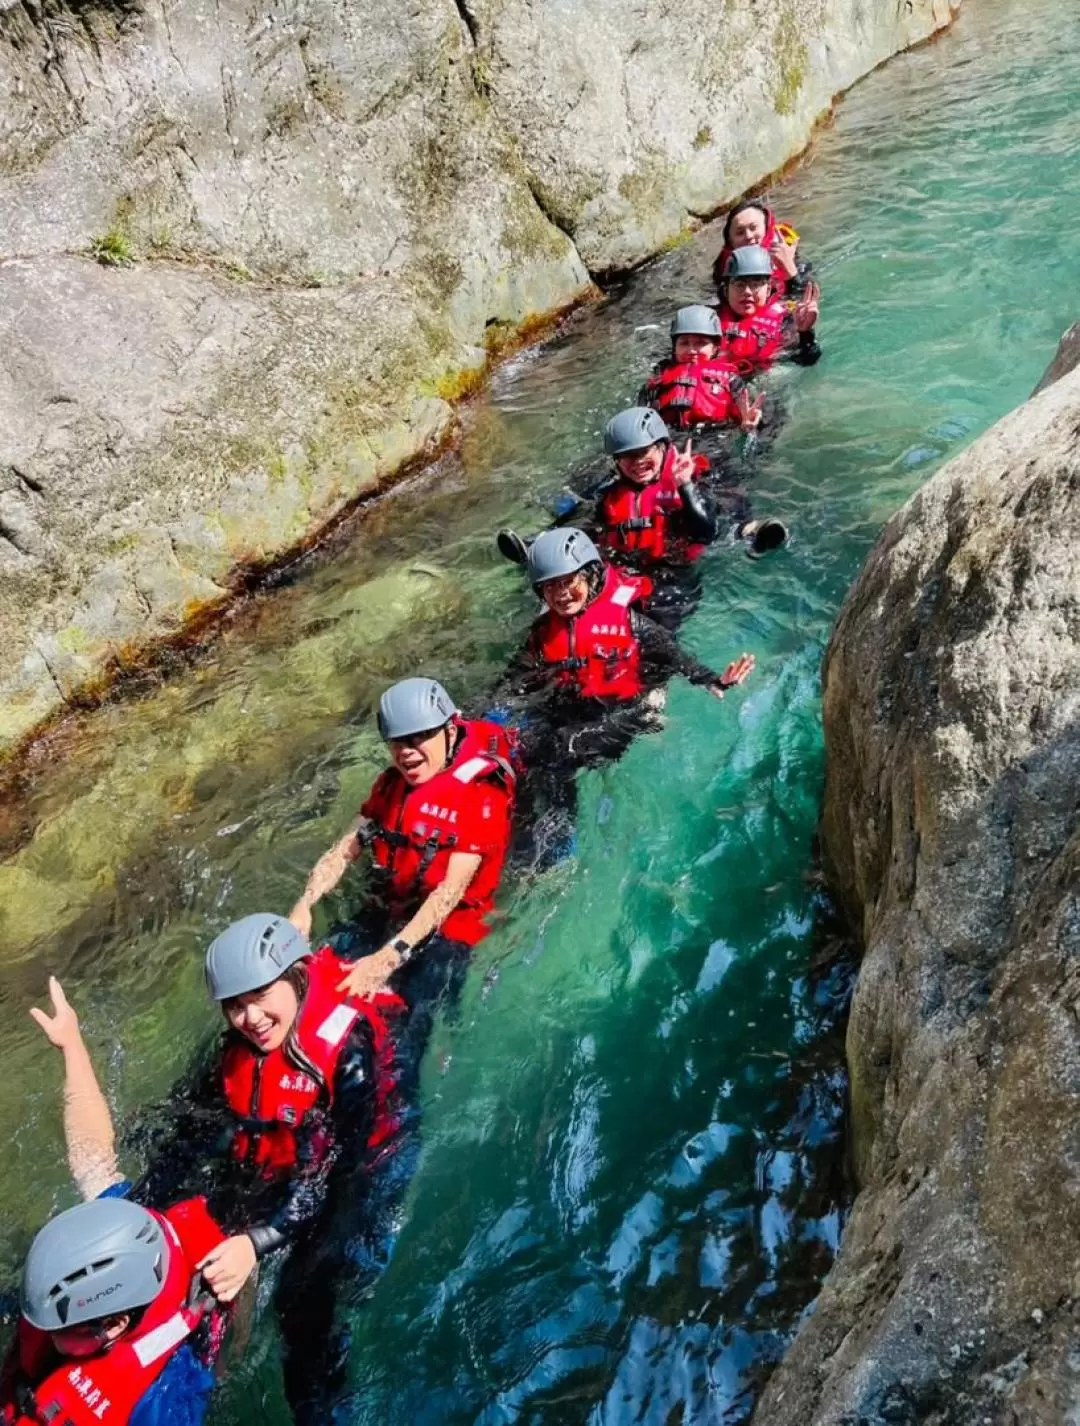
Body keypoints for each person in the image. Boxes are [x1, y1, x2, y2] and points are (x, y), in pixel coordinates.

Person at [27, 916, 403, 1424]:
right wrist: (136, 1208)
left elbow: (333, 1175)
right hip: (260, 1159)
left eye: (259, 996)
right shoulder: (233, 1051)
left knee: (301, 1306)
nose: (249, 1017)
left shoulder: (344, 1057)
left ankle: (326, 1411)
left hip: (328, 1179)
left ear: (296, 977)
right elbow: (179, 1135)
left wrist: (256, 1242)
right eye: (234, 1005)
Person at [5, 982, 235, 1426]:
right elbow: (91, 1154)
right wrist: (71, 1045)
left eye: (60, 1332)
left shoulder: (163, 1398)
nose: (45, 1334)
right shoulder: (114, 1232)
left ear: (111, 1328)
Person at [289, 678, 517, 1005]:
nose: (406, 752)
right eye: (396, 742)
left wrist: (389, 956)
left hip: (449, 926)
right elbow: (345, 847)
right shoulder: (390, 785)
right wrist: (305, 902)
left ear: (451, 731)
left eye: (419, 737)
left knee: (409, 1014)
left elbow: (450, 892)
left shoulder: (482, 797)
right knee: (311, 976)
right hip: (395, 896)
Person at [640, 307, 765, 433]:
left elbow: (749, 420)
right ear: (675, 347)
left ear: (715, 348)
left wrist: (747, 426)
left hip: (715, 439)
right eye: (684, 343)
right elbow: (640, 416)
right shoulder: (660, 374)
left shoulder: (731, 379)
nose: (691, 351)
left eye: (701, 343)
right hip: (669, 436)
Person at [716, 246, 821, 374]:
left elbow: (807, 360)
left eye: (755, 285)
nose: (747, 292)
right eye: (739, 285)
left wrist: (806, 333)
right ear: (726, 290)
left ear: (769, 290)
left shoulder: (785, 321)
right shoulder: (708, 320)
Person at [711, 199, 810, 299]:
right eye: (740, 232)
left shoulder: (794, 262)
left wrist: (789, 268)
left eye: (753, 228)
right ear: (730, 241)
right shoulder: (723, 271)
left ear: (767, 229)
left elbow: (805, 298)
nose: (748, 236)